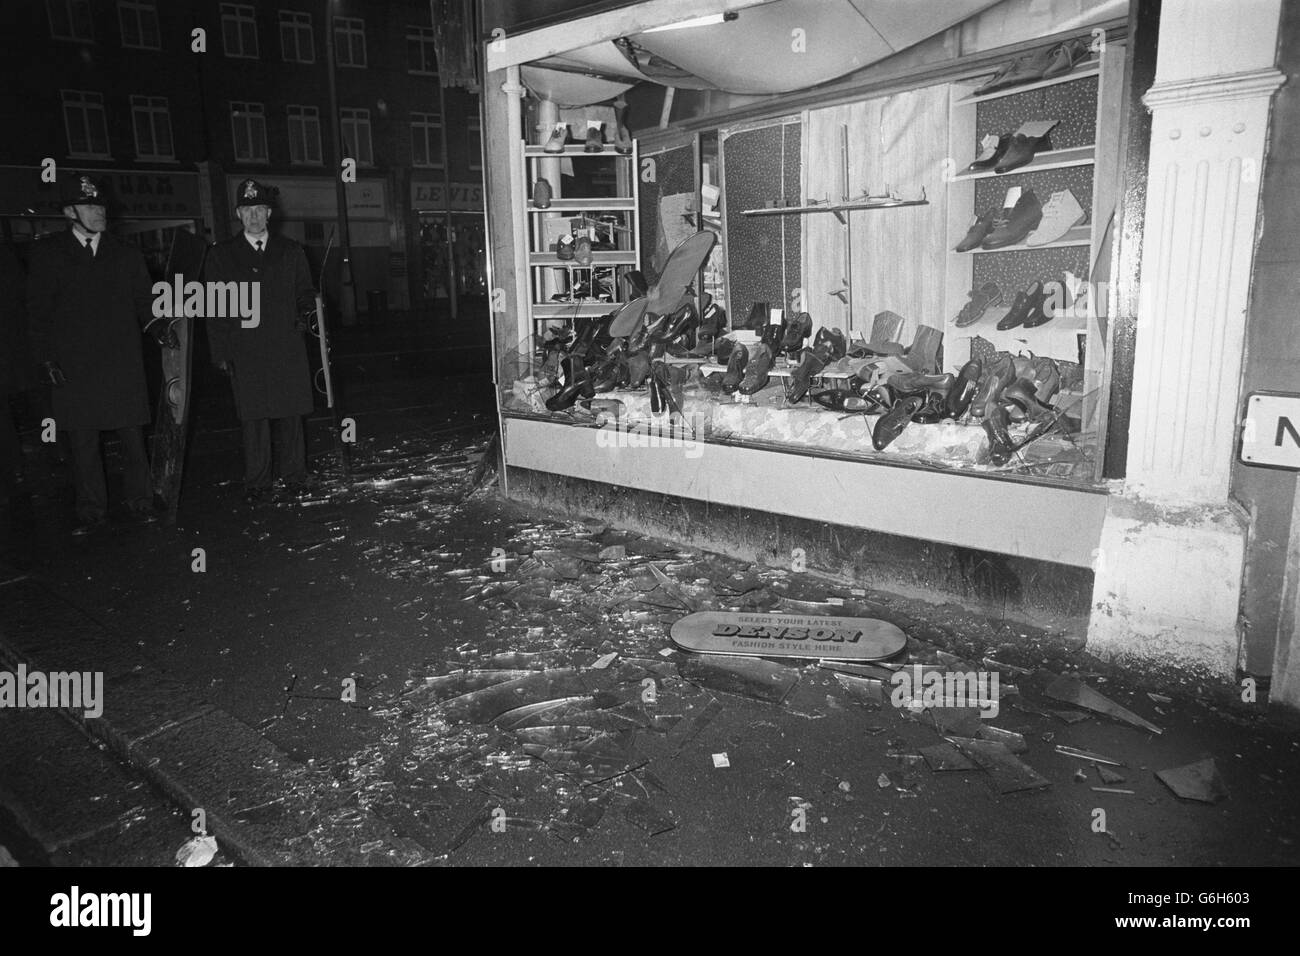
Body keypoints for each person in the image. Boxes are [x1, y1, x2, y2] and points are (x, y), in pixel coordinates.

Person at [26, 174, 178, 534]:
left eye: (100, 205)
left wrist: (159, 328)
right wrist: (46, 359)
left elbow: (145, 302)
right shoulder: (49, 255)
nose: (98, 212)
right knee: (84, 441)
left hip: (121, 362)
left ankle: (140, 500)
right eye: (89, 206)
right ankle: (92, 507)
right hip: (75, 366)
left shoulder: (125, 254)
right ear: (69, 212)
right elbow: (37, 313)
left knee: (132, 437)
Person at [204, 178, 317, 503]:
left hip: (286, 346)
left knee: (291, 413)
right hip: (246, 349)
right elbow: (215, 307)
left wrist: (309, 314)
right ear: (239, 215)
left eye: (260, 210)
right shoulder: (223, 256)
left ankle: (295, 475)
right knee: (253, 417)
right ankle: (258, 481)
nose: (254, 216)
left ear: (269, 214)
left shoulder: (291, 252)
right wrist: (221, 353)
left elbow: (305, 293)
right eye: (247, 210)